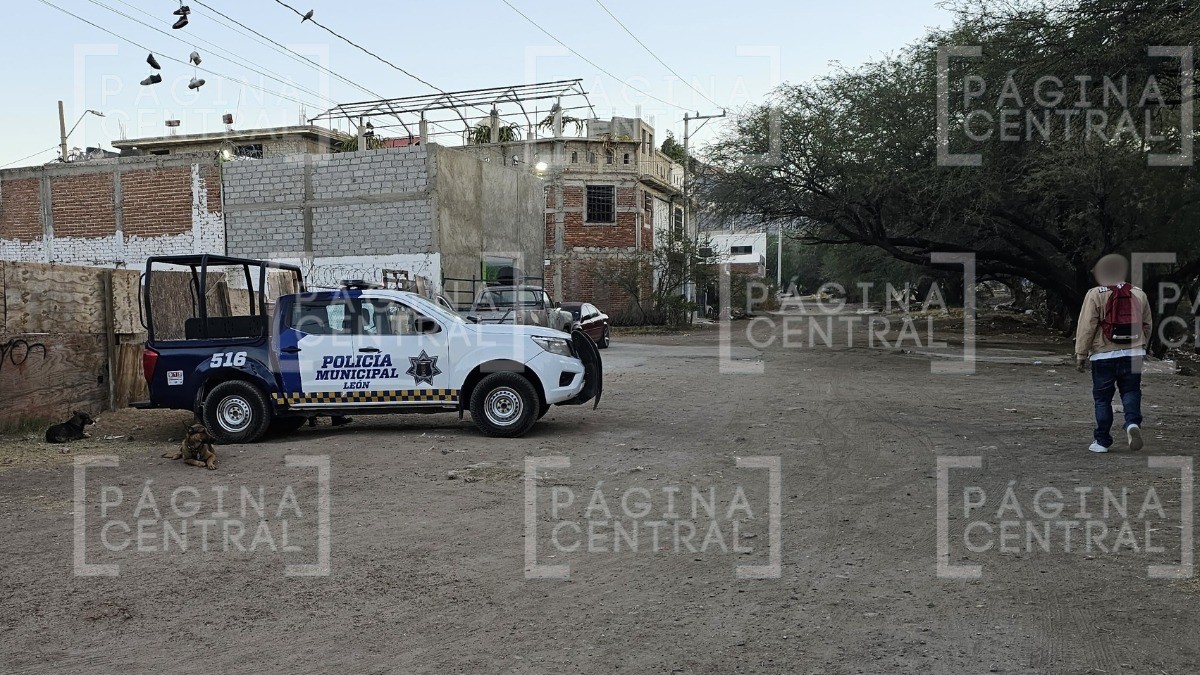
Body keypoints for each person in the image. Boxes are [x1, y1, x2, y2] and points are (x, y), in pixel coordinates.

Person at [1074, 254, 1153, 453]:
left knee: (1103, 399)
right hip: (1133, 353)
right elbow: (1147, 325)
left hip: (1103, 355)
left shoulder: (1095, 293)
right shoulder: (1138, 293)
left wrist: (1081, 354)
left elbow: (1087, 326)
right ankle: (1132, 423)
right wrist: (1141, 346)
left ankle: (1101, 441)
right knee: (1131, 391)